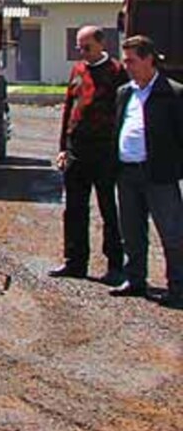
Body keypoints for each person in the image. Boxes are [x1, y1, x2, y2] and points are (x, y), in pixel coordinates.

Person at [50, 26, 127, 282]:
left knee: (108, 209)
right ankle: (75, 261)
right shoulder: (78, 70)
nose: (83, 52)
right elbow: (69, 110)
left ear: (101, 44)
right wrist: (63, 147)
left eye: (87, 47)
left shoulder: (117, 72)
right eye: (79, 47)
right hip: (77, 150)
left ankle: (115, 264)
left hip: (104, 150)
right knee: (74, 209)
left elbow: (124, 111)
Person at [110, 35, 183, 307]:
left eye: (131, 60)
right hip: (127, 173)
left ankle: (178, 287)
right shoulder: (124, 93)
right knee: (132, 231)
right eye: (125, 59)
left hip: (159, 175)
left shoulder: (172, 93)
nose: (126, 65)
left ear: (149, 59)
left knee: (172, 233)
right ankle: (135, 279)